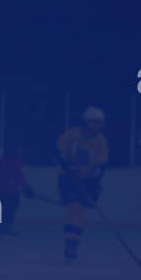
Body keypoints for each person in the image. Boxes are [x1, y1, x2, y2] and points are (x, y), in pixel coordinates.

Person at [55, 107, 109, 263]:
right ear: (87, 122)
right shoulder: (73, 134)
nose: (99, 126)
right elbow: (59, 154)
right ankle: (70, 244)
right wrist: (69, 167)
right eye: (95, 122)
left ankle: (73, 242)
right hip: (68, 179)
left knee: (81, 212)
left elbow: (100, 165)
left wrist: (94, 181)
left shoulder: (101, 140)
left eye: (101, 123)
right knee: (74, 207)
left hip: (86, 180)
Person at [0, 145, 34, 236]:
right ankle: (7, 227)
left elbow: (1, 177)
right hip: (11, 191)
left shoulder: (2, 161)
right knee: (11, 209)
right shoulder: (16, 161)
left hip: (3, 191)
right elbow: (20, 176)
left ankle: (2, 227)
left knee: (5, 209)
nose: (22, 153)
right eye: (21, 151)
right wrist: (26, 188)